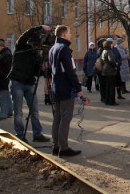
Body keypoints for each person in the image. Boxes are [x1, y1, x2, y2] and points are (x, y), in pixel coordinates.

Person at [8, 25, 51, 143]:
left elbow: (38, 72)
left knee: (35, 110)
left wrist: (43, 68)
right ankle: (20, 134)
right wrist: (39, 28)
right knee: (18, 111)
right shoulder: (21, 46)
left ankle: (37, 134)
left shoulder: (36, 54)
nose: (37, 44)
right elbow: (24, 35)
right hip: (17, 81)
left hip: (30, 83)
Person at [49, 25, 83, 157]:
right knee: (65, 117)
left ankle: (55, 145)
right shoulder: (64, 49)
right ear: (63, 34)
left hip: (56, 87)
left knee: (57, 117)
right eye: (69, 33)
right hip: (65, 88)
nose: (70, 35)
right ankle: (63, 147)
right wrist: (78, 88)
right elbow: (69, 71)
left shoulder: (53, 48)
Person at [99, 39, 119, 106]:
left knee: (107, 86)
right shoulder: (109, 51)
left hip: (105, 70)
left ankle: (107, 100)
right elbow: (112, 61)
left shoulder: (104, 51)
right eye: (111, 44)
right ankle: (111, 101)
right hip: (110, 71)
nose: (112, 45)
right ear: (109, 44)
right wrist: (116, 65)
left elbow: (102, 60)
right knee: (112, 87)